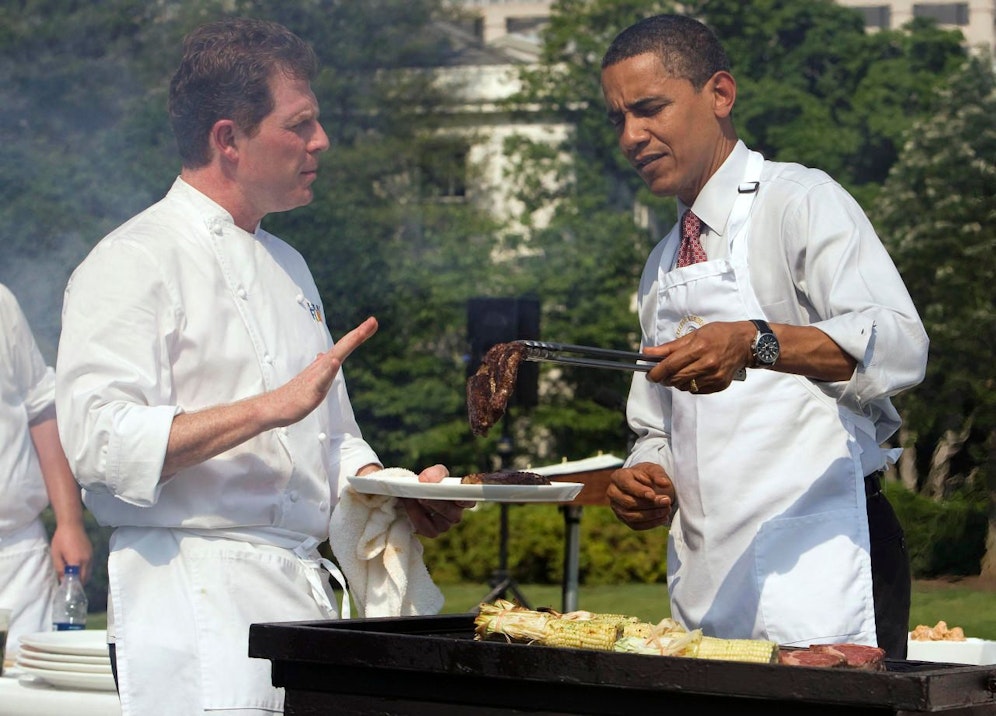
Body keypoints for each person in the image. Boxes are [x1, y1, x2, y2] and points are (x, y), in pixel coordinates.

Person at [55, 18, 467, 715]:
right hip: (191, 602)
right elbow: (98, 443)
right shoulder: (133, 259)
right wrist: (265, 409)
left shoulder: (289, 264)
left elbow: (332, 443)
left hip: (300, 597)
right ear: (228, 139)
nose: (321, 141)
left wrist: (391, 492)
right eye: (300, 124)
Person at [600, 14, 928, 659]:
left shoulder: (799, 201)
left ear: (720, 94)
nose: (631, 137)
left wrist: (756, 341)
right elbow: (657, 425)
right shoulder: (661, 264)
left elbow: (898, 343)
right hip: (708, 586)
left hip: (823, 568)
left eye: (650, 109)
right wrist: (646, 475)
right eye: (618, 119)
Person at [0, 283, 93, 658]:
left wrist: (69, 522)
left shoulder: (1, 301)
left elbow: (41, 408)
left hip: (16, 556)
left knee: (25, 686)